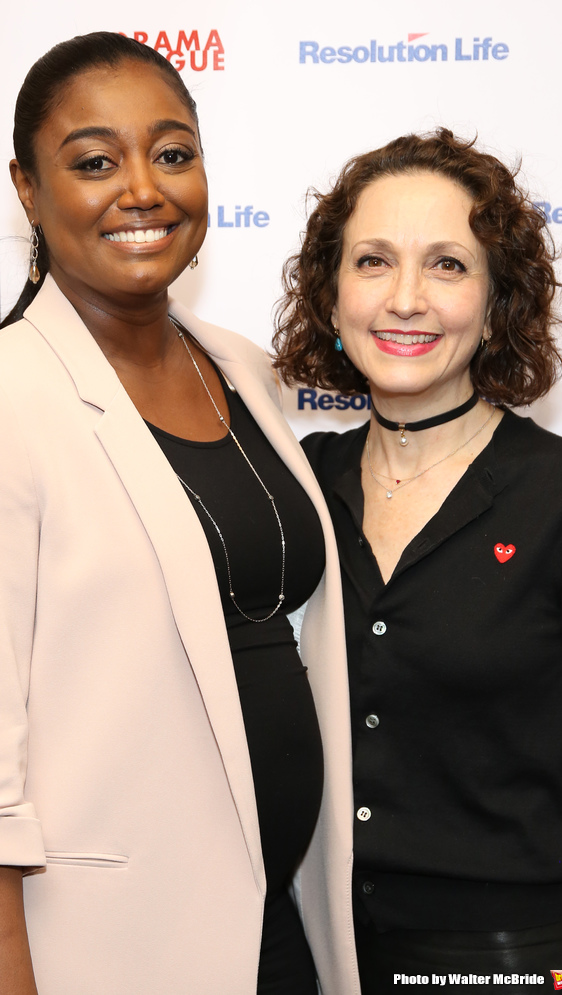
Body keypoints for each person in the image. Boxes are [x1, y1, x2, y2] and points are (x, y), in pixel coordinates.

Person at [0, 32, 359, 995]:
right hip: (111, 944)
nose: (144, 189)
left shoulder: (237, 363)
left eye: (171, 152)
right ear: (27, 190)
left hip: (279, 921)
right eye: (93, 162)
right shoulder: (9, 395)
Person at [272, 129, 562, 993]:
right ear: (332, 295)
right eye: (373, 261)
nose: (405, 298)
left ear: (497, 302)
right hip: (315, 947)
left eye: (448, 265)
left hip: (511, 958)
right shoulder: (296, 487)